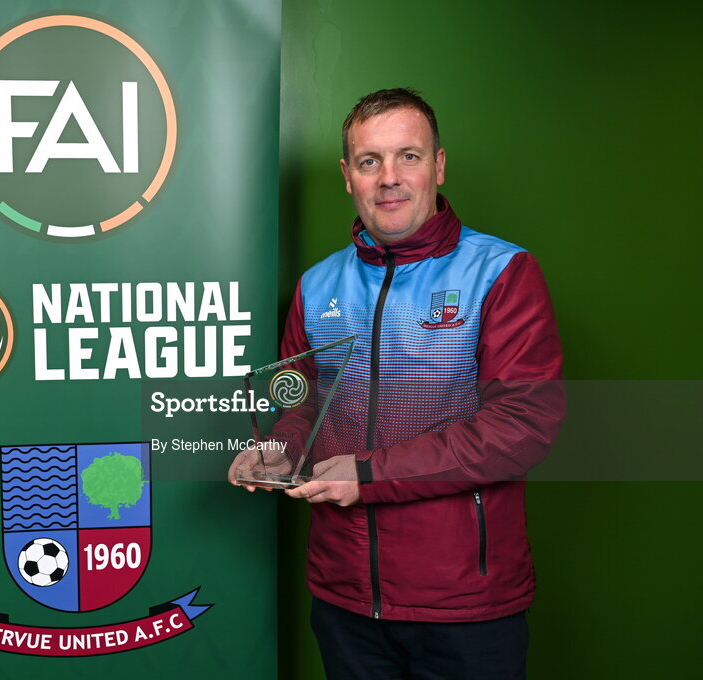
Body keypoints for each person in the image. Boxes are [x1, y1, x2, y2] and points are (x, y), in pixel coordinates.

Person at [228, 88, 565, 679]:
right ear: (347, 176)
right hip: (344, 598)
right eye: (369, 161)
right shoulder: (316, 285)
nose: (389, 178)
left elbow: (523, 429)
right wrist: (280, 450)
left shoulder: (503, 273)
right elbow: (301, 400)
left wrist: (370, 475)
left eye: (408, 156)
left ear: (437, 164)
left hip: (465, 606)